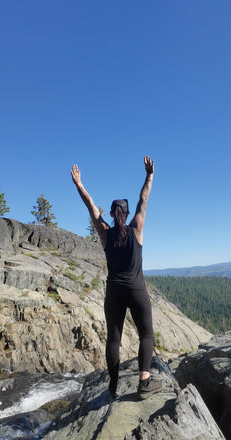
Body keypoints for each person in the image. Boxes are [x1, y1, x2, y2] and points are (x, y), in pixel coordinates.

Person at [71, 156, 162, 400]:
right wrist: (149, 175)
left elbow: (91, 206)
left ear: (112, 214)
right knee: (147, 334)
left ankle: (112, 386)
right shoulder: (137, 228)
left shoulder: (105, 234)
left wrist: (79, 184)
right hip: (136, 290)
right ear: (128, 213)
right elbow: (144, 199)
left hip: (114, 292)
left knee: (114, 339)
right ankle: (144, 383)